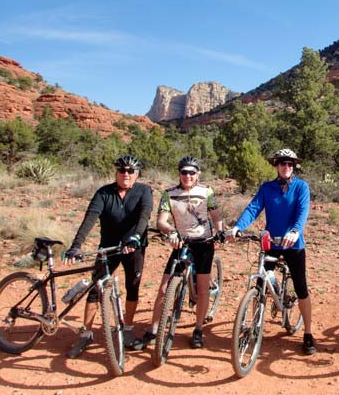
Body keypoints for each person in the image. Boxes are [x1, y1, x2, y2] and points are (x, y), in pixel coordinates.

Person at [225, 148, 316, 355]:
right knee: (260, 284)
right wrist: (238, 227)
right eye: (283, 163)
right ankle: (254, 326)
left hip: (293, 244)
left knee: (301, 288)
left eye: (290, 164)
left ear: (294, 167)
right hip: (271, 242)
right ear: (276, 165)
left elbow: (302, 212)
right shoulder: (267, 188)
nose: (286, 167)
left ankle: (308, 333)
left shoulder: (301, 187)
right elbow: (253, 208)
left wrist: (295, 231)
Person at [63, 155, 153, 359]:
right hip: (108, 248)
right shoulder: (104, 192)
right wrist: (76, 246)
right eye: (122, 170)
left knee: (133, 285)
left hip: (133, 247)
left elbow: (144, 216)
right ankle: (86, 334)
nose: (126, 174)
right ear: (116, 172)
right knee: (96, 288)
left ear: (137, 174)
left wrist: (136, 237)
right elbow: (90, 218)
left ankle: (128, 328)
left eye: (131, 171)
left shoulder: (143, 191)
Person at [133, 156, 223, 350]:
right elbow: (161, 221)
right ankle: (154, 330)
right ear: (179, 174)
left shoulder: (206, 192)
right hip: (181, 243)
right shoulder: (169, 194)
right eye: (184, 172)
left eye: (192, 172)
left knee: (202, 288)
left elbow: (215, 215)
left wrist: (220, 230)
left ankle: (198, 330)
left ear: (198, 174)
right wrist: (171, 231)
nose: (188, 176)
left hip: (204, 244)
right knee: (165, 289)